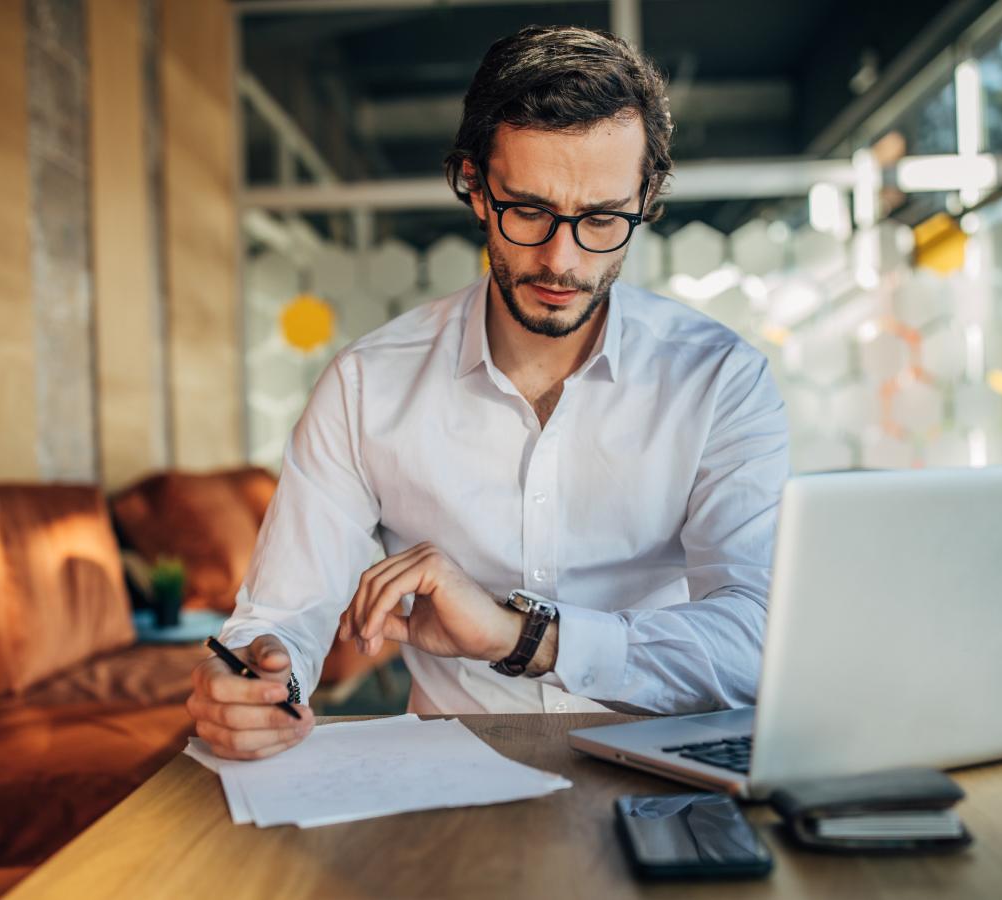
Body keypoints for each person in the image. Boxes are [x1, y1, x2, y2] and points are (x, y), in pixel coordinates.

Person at [187, 24, 789, 761]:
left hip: (668, 776)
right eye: (528, 210)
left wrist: (522, 637)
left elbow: (758, 643)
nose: (561, 260)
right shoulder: (365, 386)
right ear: (474, 184)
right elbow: (283, 614)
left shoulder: (721, 381)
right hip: (452, 774)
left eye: (601, 219)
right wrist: (253, 681)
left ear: (647, 198)